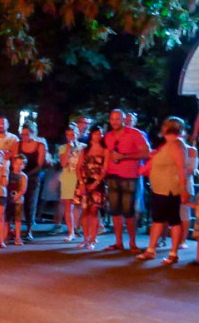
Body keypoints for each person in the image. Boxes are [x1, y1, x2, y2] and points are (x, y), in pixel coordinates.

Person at [136, 117, 188, 264]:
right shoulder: (167, 145)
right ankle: (151, 250)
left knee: (173, 220)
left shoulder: (176, 146)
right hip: (160, 189)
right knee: (157, 220)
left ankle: (173, 253)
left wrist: (183, 188)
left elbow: (181, 168)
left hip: (169, 189)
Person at [103, 108, 150, 252]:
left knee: (129, 211)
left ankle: (132, 243)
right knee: (115, 211)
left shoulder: (135, 133)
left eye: (118, 118)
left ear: (124, 119)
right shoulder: (109, 136)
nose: (115, 121)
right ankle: (118, 242)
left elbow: (146, 152)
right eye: (112, 119)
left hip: (130, 176)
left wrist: (124, 156)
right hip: (112, 175)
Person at [76, 125, 107, 250]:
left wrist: (97, 182)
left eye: (100, 134)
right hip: (84, 181)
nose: (98, 136)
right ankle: (84, 239)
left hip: (97, 183)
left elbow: (105, 169)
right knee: (84, 211)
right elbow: (78, 167)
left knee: (94, 211)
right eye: (96, 133)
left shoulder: (105, 150)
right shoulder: (85, 150)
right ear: (91, 135)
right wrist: (82, 182)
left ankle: (92, 240)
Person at [17, 123, 49, 240]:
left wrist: (27, 175)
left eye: (26, 134)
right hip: (19, 175)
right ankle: (14, 229)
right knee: (17, 202)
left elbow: (40, 165)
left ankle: (29, 229)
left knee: (31, 203)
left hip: (33, 176)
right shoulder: (18, 144)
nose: (23, 137)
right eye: (22, 134)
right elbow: (14, 159)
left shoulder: (39, 145)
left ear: (33, 133)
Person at [58, 124, 83, 242]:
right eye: (68, 135)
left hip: (79, 179)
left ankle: (77, 228)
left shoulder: (84, 147)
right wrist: (68, 149)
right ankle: (70, 232)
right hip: (68, 178)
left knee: (79, 205)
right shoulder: (63, 147)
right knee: (68, 205)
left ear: (78, 134)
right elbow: (63, 163)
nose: (70, 137)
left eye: (73, 134)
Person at [6, 154, 29, 245]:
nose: (18, 166)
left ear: (24, 166)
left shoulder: (23, 176)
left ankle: (18, 237)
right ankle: (6, 235)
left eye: (21, 164)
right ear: (13, 164)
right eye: (17, 163)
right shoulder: (9, 174)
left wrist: (18, 195)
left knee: (17, 219)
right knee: (7, 219)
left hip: (18, 200)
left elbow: (23, 189)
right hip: (8, 199)